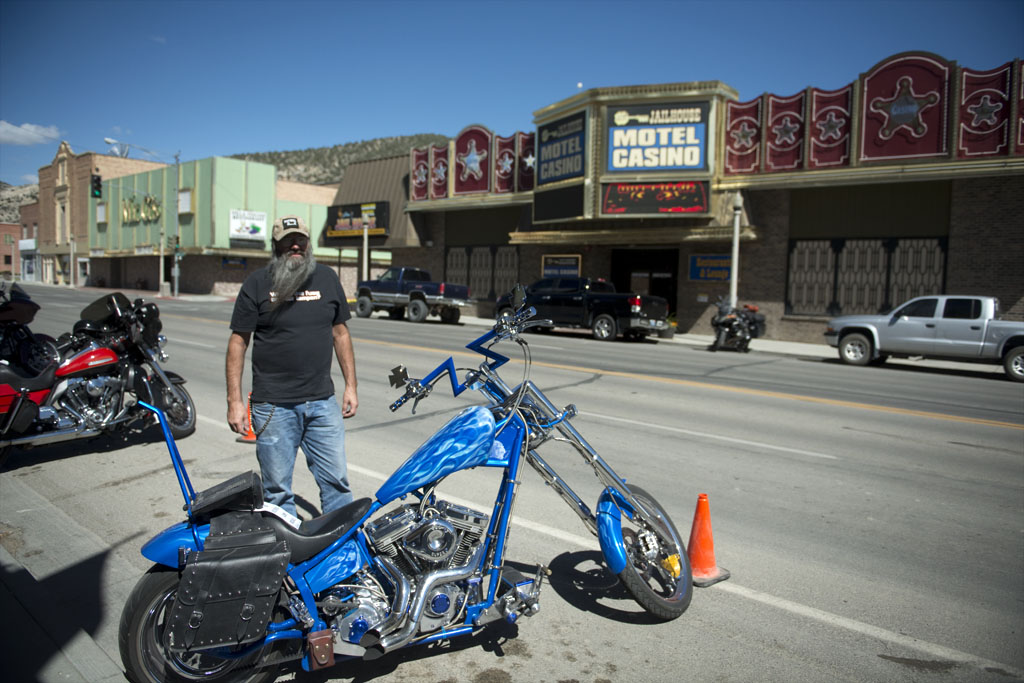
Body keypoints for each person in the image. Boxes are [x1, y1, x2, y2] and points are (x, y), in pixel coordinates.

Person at [226, 215, 358, 517]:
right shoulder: (257, 284)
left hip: (322, 403)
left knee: (337, 483)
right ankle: (288, 555)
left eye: (300, 239)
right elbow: (238, 342)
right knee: (277, 491)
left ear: (309, 244)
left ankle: (340, 550)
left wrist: (351, 385)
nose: (295, 245)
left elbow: (341, 334)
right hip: (274, 407)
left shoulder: (326, 278)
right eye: (288, 240)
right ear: (276, 245)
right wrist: (234, 401)